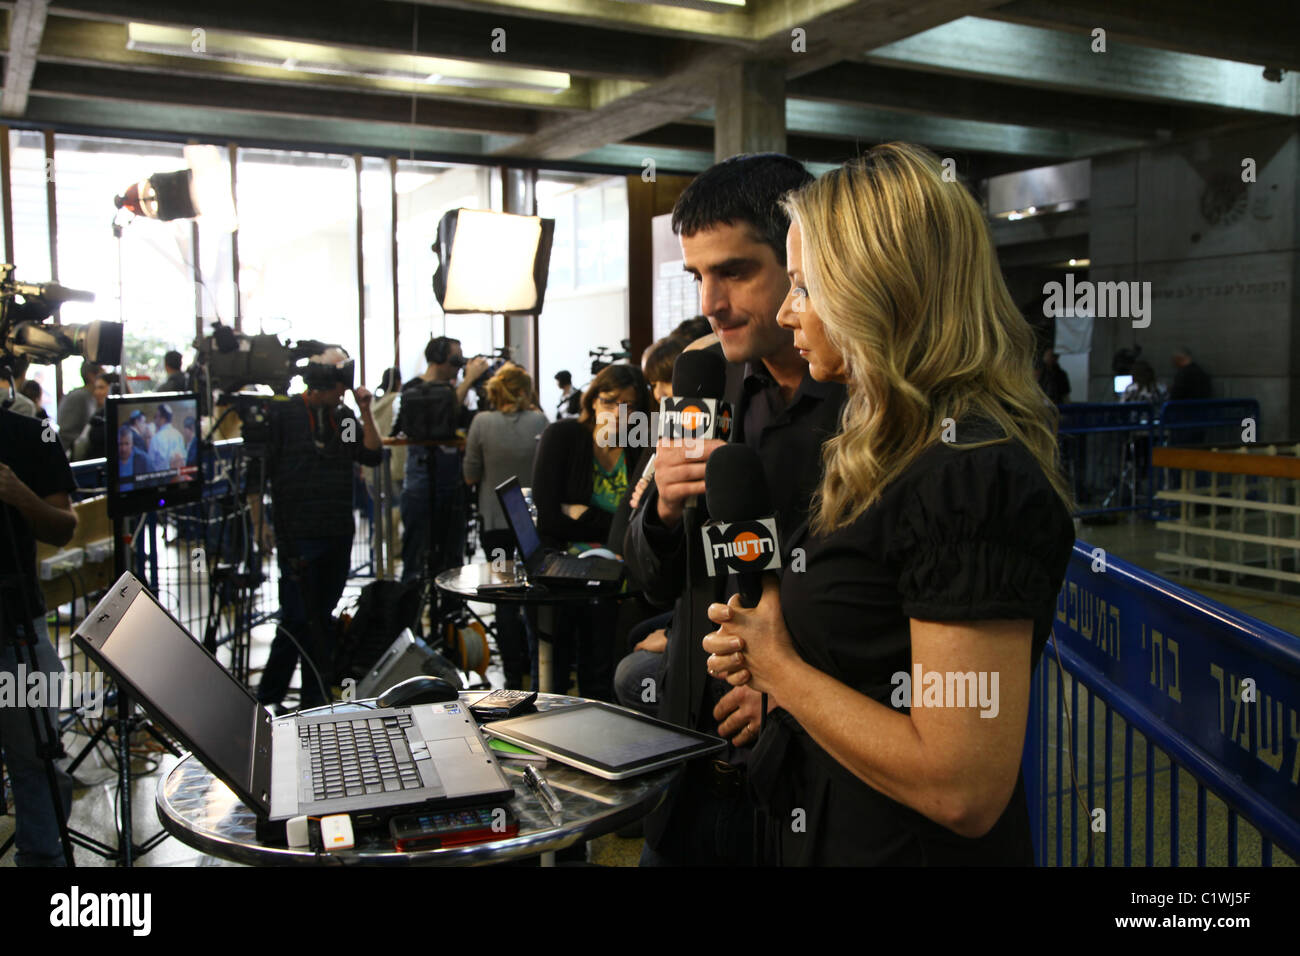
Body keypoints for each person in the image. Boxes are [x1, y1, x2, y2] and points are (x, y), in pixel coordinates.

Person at [702, 143, 1076, 865]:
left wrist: (781, 667)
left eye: (806, 287)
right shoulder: (886, 446)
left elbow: (960, 786)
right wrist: (772, 663)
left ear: (878, 291)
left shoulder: (970, 476)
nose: (788, 310)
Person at [623, 151, 846, 867]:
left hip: (807, 790)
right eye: (698, 277)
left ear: (800, 257)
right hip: (688, 775)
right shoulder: (703, 383)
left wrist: (787, 693)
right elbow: (657, 581)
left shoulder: (872, 414)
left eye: (735, 272)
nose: (709, 304)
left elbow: (883, 611)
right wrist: (659, 511)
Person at [254, 348, 382, 711]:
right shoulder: (284, 414)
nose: (342, 394)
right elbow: (259, 472)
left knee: (322, 619)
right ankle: (267, 699)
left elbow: (371, 454)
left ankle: (314, 698)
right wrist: (259, 522)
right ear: (320, 383)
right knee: (295, 618)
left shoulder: (342, 417)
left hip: (337, 531)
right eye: (338, 387)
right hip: (297, 533)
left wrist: (365, 411)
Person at [532, 362, 650, 700]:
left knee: (603, 672)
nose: (618, 414)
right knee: (552, 671)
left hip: (625, 571)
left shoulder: (641, 447)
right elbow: (548, 520)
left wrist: (584, 515)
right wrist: (615, 521)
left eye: (629, 406)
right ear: (593, 401)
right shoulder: (562, 436)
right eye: (610, 401)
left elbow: (643, 522)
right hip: (564, 570)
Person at [0, 405, 78, 865]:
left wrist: (19, 495)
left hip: (15, 628)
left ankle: (42, 859)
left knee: (37, 760)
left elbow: (64, 526)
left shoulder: (32, 434)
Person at [462, 365, 548, 689]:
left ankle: (512, 673)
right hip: (530, 523)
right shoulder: (540, 421)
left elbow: (470, 473)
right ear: (525, 390)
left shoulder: (481, 423)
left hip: (495, 523)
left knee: (503, 594)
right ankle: (536, 665)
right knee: (531, 591)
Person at [399, 337, 490, 587]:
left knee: (452, 560)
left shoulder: (455, 392)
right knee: (416, 556)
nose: (458, 366)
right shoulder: (413, 389)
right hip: (422, 485)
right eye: (454, 359)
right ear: (438, 357)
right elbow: (443, 412)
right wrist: (468, 380)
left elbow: (466, 419)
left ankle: (451, 614)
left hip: (452, 484)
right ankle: (411, 613)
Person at [72, 371, 118, 461]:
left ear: (114, 389)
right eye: (96, 388)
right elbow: (81, 445)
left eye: (101, 388)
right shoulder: (97, 416)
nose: (96, 392)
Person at [56, 360, 100, 454]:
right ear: (92, 376)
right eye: (102, 371)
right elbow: (67, 432)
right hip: (71, 452)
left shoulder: (87, 396)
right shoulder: (81, 397)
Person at [146, 402, 186, 472]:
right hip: (177, 478)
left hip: (161, 480)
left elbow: (150, 465)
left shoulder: (156, 439)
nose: (155, 419)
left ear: (163, 419)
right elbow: (184, 460)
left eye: (156, 416)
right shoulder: (179, 435)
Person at [115, 423, 149, 490]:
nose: (123, 449)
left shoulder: (144, 459)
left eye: (127, 444)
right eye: (120, 444)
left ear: (132, 443)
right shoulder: (114, 459)